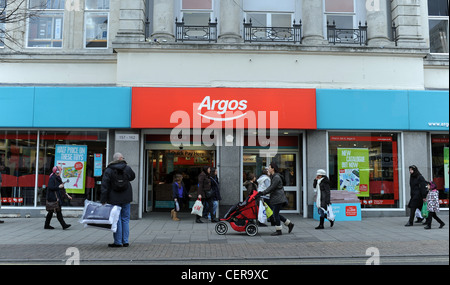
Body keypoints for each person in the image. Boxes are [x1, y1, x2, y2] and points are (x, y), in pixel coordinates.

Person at [101, 152, 136, 247]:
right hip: (126, 197)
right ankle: (125, 241)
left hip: (114, 198)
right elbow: (133, 177)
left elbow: (105, 185)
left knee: (117, 219)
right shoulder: (127, 168)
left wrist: (103, 199)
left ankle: (118, 241)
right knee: (125, 219)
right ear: (120, 158)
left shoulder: (109, 169)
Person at [258, 161, 294, 235]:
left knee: (275, 214)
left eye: (269, 167)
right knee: (275, 213)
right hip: (276, 198)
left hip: (279, 198)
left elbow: (272, 188)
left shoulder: (276, 177)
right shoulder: (274, 176)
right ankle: (289, 224)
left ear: (273, 169)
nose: (268, 169)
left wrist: (263, 192)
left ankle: (279, 230)